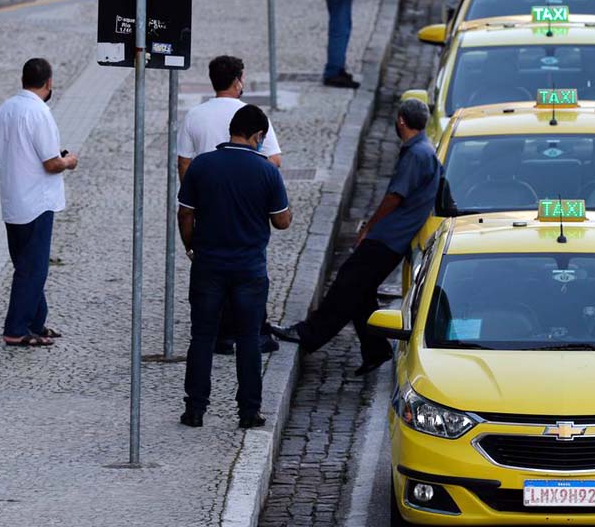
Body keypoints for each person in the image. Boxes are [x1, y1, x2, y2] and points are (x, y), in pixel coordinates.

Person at [271, 99, 440, 375]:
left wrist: (368, 227)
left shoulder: (417, 155)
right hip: (395, 238)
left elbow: (394, 196)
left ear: (400, 121)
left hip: (388, 237)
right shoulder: (424, 149)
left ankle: (309, 333)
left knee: (347, 285)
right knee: (361, 292)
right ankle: (376, 350)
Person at [177, 105, 292, 429]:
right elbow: (281, 221)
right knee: (248, 338)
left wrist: (191, 245)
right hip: (249, 268)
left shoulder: (202, 165)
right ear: (257, 136)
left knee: (202, 336)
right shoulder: (267, 171)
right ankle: (248, 412)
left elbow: (185, 213)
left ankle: (195, 409)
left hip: (208, 264)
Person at [177, 55, 283, 355]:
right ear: (238, 81)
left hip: (208, 202)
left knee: (212, 268)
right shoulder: (251, 115)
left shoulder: (195, 115)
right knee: (251, 267)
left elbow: (184, 162)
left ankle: (220, 334)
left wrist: (194, 196)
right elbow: (274, 159)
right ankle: (255, 331)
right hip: (247, 201)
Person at [0, 58, 78, 347]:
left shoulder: (4, 109)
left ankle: (35, 322)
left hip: (12, 199)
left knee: (26, 264)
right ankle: (16, 329)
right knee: (34, 269)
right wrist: (69, 160)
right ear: (48, 83)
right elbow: (52, 163)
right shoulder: (39, 112)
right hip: (37, 201)